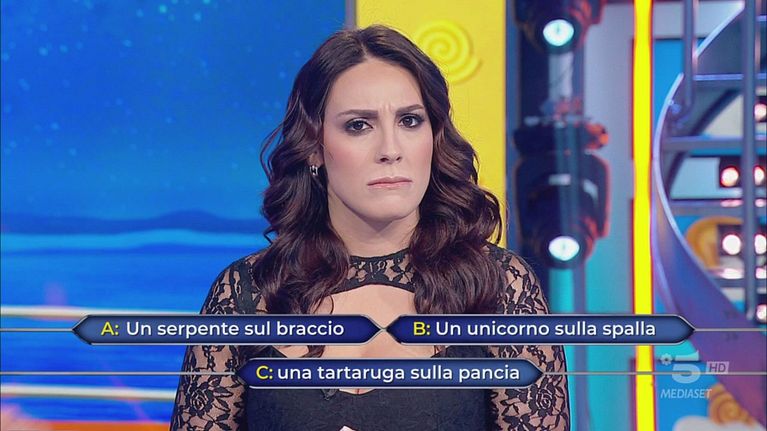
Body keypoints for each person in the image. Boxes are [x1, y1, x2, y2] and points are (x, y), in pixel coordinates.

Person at [170, 24, 570, 431]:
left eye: (410, 121)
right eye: (359, 125)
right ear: (314, 147)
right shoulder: (248, 293)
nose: (390, 150)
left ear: (434, 137)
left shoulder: (498, 287)